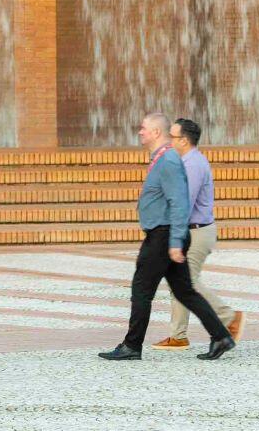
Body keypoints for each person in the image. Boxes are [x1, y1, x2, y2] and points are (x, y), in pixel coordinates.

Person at [99, 112, 234, 362]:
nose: (140, 132)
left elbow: (179, 202)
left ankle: (132, 345)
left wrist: (174, 243)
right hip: (166, 233)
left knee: (141, 289)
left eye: (144, 128)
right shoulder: (165, 159)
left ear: (156, 133)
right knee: (185, 292)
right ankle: (221, 336)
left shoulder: (169, 161)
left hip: (164, 235)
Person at [157, 118, 244, 349]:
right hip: (191, 230)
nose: (168, 141)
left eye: (172, 137)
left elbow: (185, 202)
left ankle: (228, 317)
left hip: (197, 232)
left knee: (189, 283)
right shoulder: (187, 161)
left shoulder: (193, 165)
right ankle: (178, 335)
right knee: (179, 281)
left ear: (184, 140)